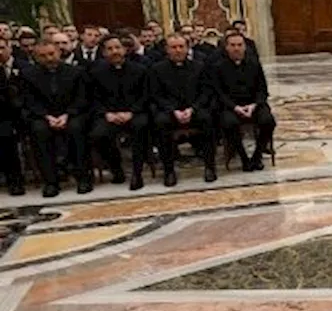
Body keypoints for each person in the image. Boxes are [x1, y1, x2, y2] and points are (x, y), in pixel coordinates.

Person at [22, 36, 90, 196]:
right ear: (37, 57)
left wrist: (67, 115)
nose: (49, 59)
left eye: (52, 54)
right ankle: (51, 182)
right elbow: (30, 101)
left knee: (76, 128)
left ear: (59, 53)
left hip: (71, 114)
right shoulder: (28, 75)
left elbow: (82, 98)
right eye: (43, 56)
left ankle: (83, 178)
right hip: (44, 117)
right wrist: (47, 116)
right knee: (39, 131)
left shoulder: (75, 72)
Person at [150, 34, 218, 186]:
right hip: (170, 112)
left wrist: (192, 109)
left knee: (208, 119)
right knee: (160, 123)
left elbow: (206, 92)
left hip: (194, 110)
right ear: (167, 49)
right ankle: (169, 171)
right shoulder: (157, 69)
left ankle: (210, 167)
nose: (178, 50)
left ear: (187, 48)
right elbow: (156, 95)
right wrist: (173, 110)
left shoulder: (199, 67)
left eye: (181, 47)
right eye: (173, 47)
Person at [86, 36, 150, 190]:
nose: (115, 51)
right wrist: (107, 114)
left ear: (125, 50)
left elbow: (146, 96)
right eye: (110, 49)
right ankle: (116, 169)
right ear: (103, 52)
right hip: (108, 115)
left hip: (135, 113)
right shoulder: (96, 73)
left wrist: (132, 112)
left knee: (140, 127)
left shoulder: (140, 70)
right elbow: (93, 99)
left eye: (117, 47)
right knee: (98, 134)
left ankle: (137, 173)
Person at [211, 32, 275, 171]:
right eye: (233, 45)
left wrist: (254, 105)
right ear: (226, 47)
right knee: (229, 123)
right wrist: (235, 107)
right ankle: (244, 157)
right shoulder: (218, 67)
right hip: (230, 107)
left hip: (253, 104)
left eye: (239, 45)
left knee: (268, 121)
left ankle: (257, 155)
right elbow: (218, 93)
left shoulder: (254, 64)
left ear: (245, 47)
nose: (236, 48)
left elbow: (262, 89)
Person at [0, 37, 24, 195]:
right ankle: (12, 180)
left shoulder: (24, 67)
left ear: (9, 48)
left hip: (25, 113)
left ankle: (16, 179)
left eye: (2, 47)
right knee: (4, 132)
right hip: (3, 115)